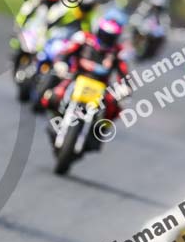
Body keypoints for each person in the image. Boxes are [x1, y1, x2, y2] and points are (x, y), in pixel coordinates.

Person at [41, 15, 129, 148]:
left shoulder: (118, 51)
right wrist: (61, 63)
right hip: (76, 78)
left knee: (114, 107)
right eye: (105, 34)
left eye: (110, 37)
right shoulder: (84, 38)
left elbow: (123, 72)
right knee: (51, 97)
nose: (107, 39)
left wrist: (125, 87)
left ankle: (99, 132)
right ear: (98, 30)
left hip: (101, 86)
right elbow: (66, 52)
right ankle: (56, 119)